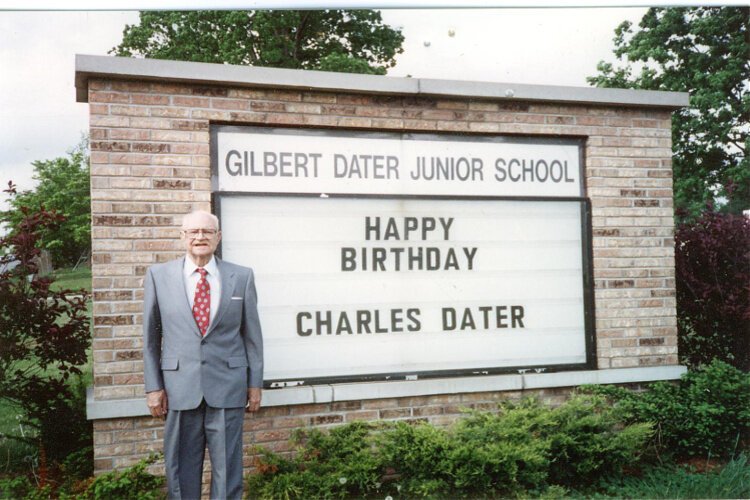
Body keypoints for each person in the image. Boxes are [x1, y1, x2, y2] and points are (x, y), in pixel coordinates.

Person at [142, 210, 263, 499]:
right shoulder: (158, 276)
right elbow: (149, 338)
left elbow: (252, 335)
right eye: (193, 232)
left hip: (228, 384)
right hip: (179, 387)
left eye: (207, 232)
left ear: (218, 237)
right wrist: (153, 386)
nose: (200, 237)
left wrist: (255, 383)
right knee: (181, 469)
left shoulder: (241, 277)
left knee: (228, 468)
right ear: (183, 236)